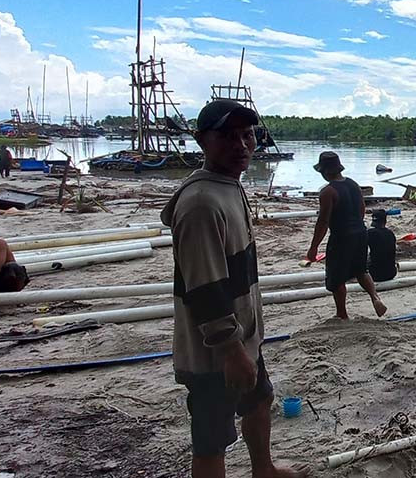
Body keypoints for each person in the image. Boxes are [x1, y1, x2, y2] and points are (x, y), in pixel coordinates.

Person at [160, 99, 306, 478]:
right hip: (215, 350)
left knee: (260, 401)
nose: (241, 145)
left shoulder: (229, 186)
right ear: (201, 141)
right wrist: (229, 351)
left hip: (244, 338)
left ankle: (264, 469)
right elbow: (205, 287)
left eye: (248, 136)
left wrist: (246, 344)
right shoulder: (200, 204)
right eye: (227, 136)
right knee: (212, 438)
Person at [307, 151, 387, 320]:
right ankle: (375, 297)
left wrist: (313, 247)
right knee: (361, 270)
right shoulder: (353, 184)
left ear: (324, 172)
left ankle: (342, 313)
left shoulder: (328, 192)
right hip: (360, 232)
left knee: (337, 278)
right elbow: (362, 210)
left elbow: (323, 222)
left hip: (341, 237)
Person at [366, 209, 398, 282]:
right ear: (385, 221)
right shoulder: (390, 233)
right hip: (391, 273)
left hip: (375, 275)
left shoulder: (370, 233)